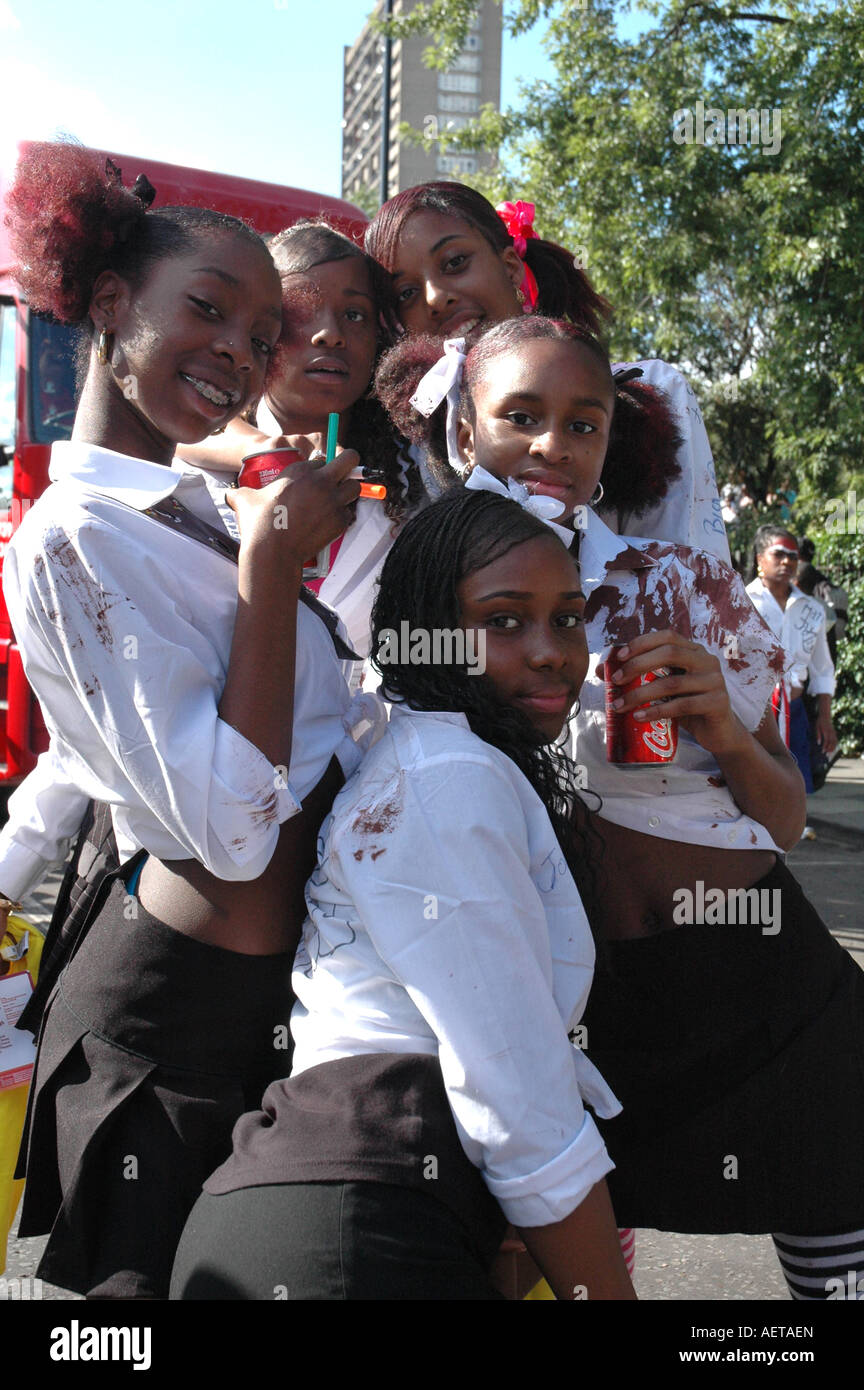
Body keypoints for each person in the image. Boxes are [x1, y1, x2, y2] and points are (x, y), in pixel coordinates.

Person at [376, 314, 864, 1300]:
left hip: (763, 978)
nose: (553, 444)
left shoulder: (675, 583)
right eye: (522, 415)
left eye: (582, 422)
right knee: (565, 1266)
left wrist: (724, 728)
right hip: (583, 997)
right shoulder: (420, 578)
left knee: (837, 1242)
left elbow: (781, 821)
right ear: (467, 430)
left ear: (610, 444)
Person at [1, 142, 369, 1299]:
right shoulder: (72, 536)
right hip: (170, 1029)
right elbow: (230, 829)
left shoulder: (192, 512)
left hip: (258, 1006)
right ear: (110, 304)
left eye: (262, 339)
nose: (240, 354)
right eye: (207, 309)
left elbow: (84, 754)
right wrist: (272, 569)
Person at [171, 487, 634, 1301]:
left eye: (567, 617)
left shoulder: (435, 756)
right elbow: (521, 1112)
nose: (552, 650)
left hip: (333, 1222)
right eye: (503, 620)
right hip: (353, 1243)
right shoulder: (449, 781)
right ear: (429, 630)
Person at [365, 182, 731, 561]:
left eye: (455, 263)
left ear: (509, 268)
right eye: (406, 292)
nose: (435, 297)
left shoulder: (648, 393)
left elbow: (692, 584)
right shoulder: (409, 448)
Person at [746, 526, 838, 797]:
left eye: (793, 556)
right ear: (760, 558)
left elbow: (822, 670)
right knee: (753, 788)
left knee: (793, 791)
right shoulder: (740, 603)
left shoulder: (812, 610)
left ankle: (788, 837)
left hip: (795, 713)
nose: (787, 561)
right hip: (751, 714)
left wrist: (825, 716)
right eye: (779, 554)